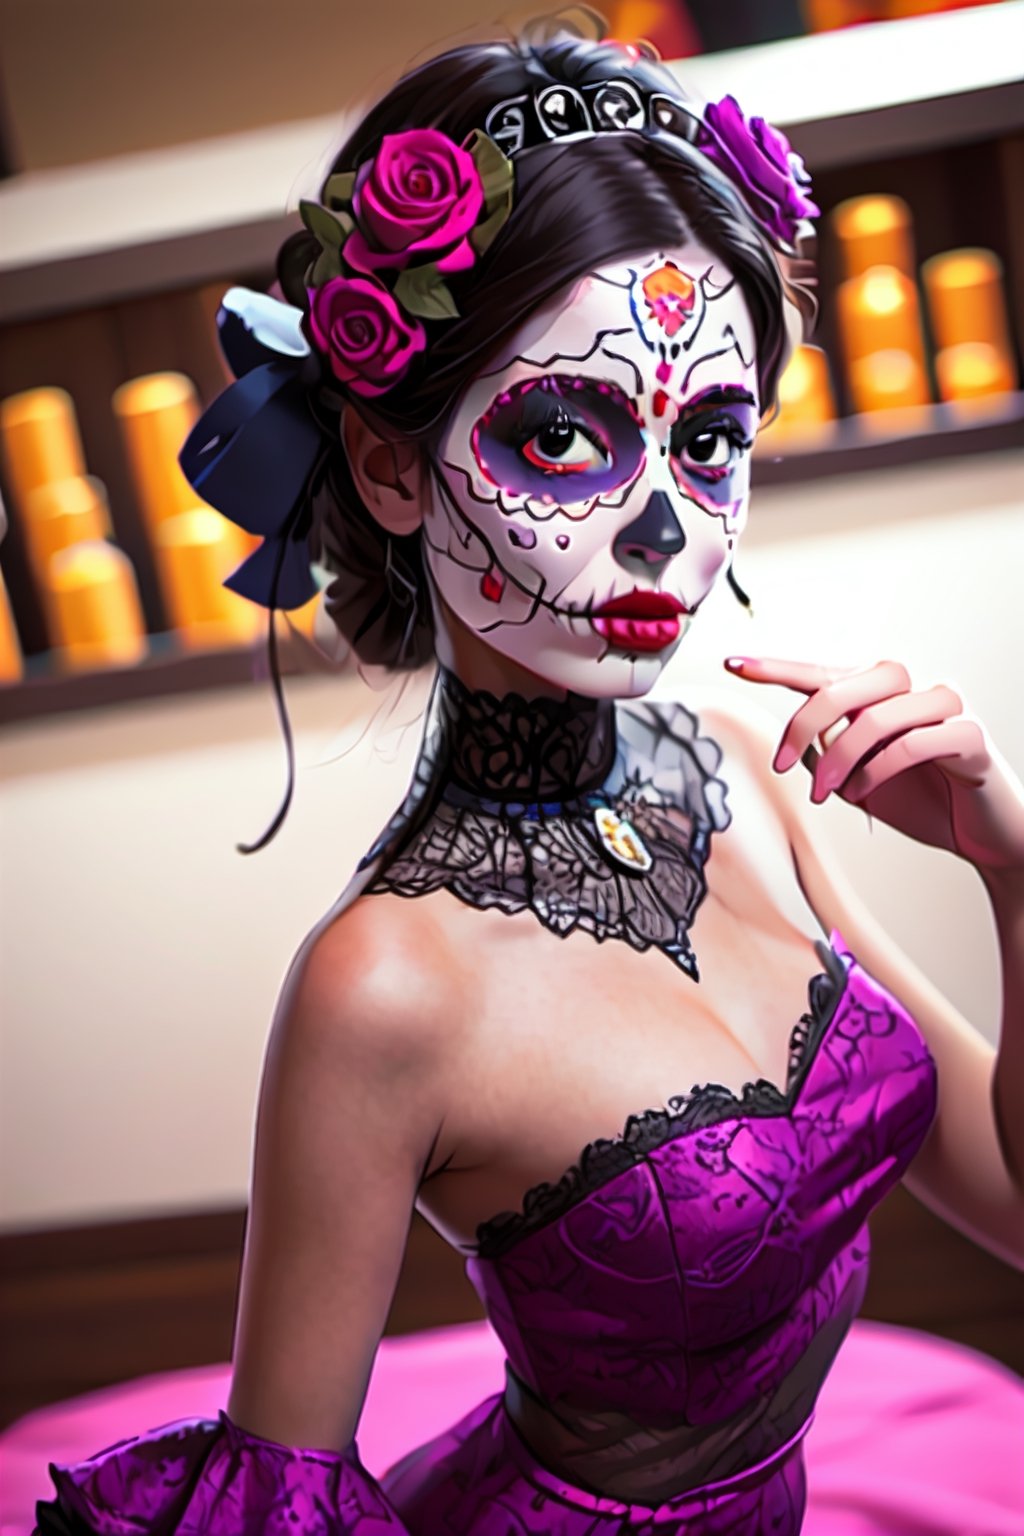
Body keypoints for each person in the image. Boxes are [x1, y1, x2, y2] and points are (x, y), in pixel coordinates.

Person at [34, 13, 1024, 1535]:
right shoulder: (386, 989)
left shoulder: (745, 768)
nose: (658, 526)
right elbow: (274, 1498)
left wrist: (1013, 872)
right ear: (387, 465)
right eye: (563, 434)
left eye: (708, 439)